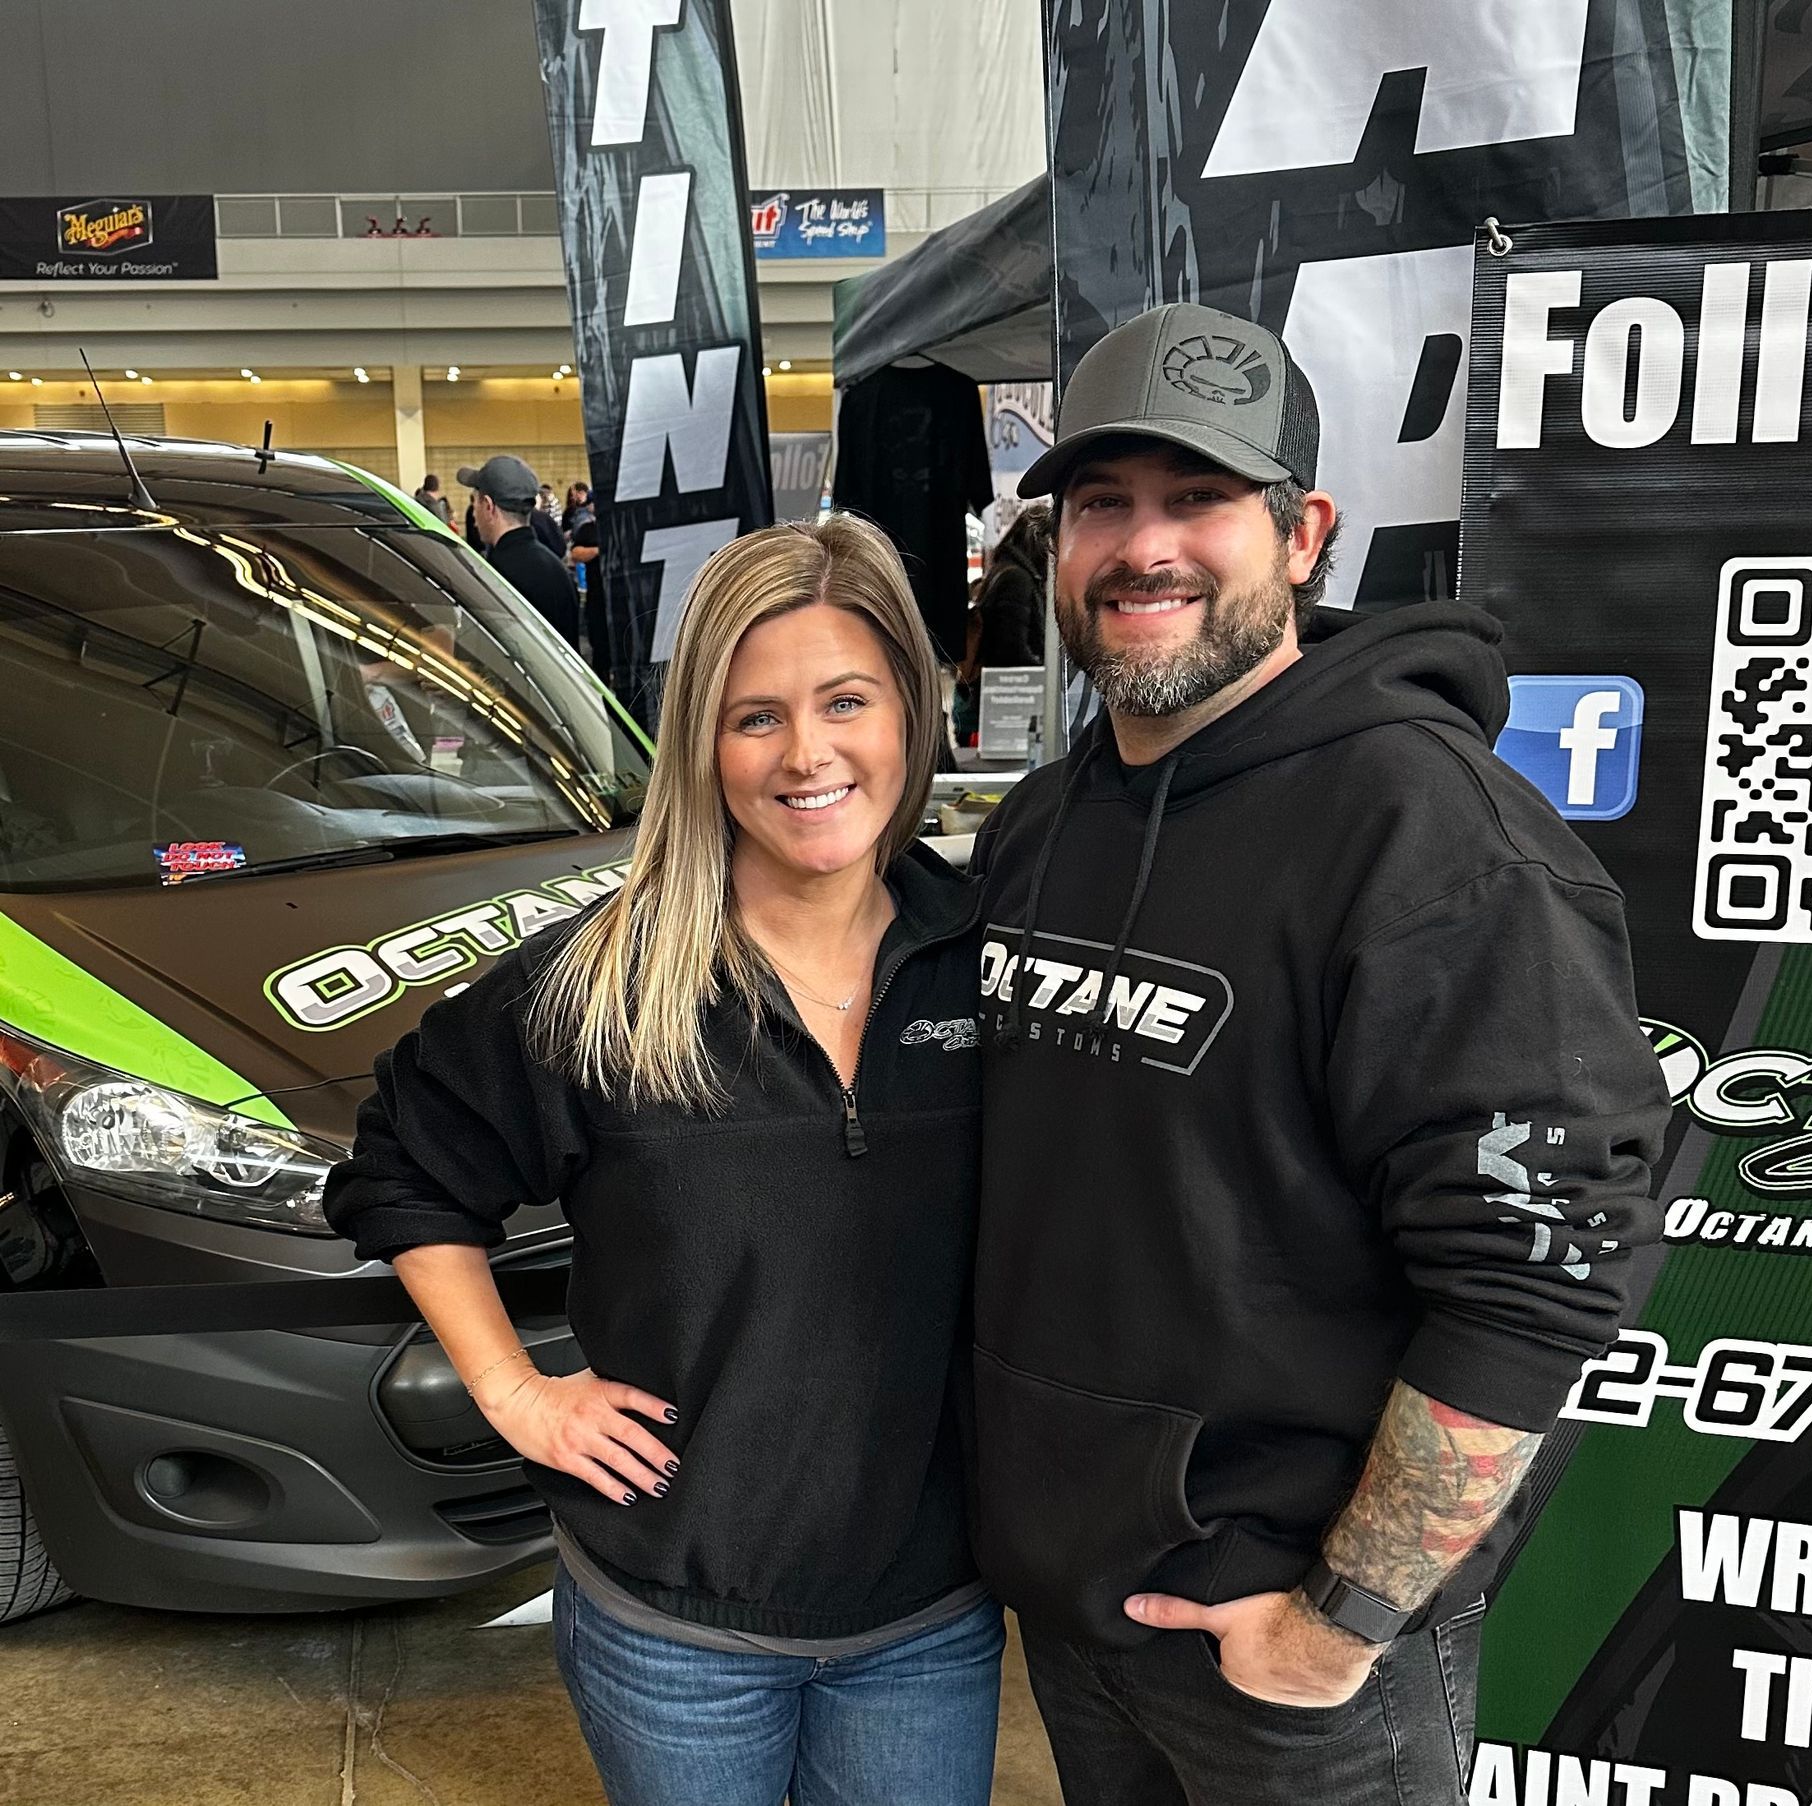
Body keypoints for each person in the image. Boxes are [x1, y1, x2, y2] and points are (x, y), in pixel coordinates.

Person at [967, 300, 1670, 1804]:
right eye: (1102, 504)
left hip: (1289, 1652)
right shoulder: (1045, 822)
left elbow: (1538, 1274)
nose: (1144, 547)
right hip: (1076, 1609)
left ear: (1303, 535)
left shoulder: (1434, 840)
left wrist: (1340, 1619)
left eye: (1198, 497)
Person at [323, 515, 1003, 1806]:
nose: (806, 754)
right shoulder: (602, 985)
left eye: (845, 701)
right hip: (674, 1633)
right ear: (701, 740)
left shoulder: (995, 959)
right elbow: (403, 1164)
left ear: (914, 711)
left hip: (928, 1617)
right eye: (756, 718)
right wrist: (515, 1392)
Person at [954, 505, 1049, 744]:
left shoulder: (1004, 571)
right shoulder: (1017, 579)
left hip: (987, 697)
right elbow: (1012, 649)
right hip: (1003, 701)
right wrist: (1047, 674)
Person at [460, 455, 578, 647]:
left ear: (489, 506)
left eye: (475, 503)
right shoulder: (557, 569)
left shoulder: (494, 577)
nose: (473, 514)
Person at [567, 489, 611, 683]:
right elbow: (576, 554)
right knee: (599, 646)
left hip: (619, 599)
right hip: (597, 597)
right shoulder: (588, 529)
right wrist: (599, 550)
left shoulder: (621, 526)